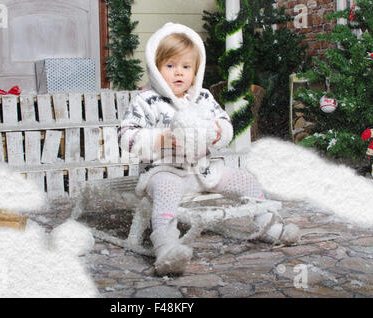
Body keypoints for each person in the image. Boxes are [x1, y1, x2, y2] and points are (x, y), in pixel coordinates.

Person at [118, 23, 277, 276]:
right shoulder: (145, 100)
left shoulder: (203, 98)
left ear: (196, 70)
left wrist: (215, 132)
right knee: (167, 191)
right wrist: (159, 140)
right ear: (156, 68)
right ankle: (167, 246)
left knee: (247, 180)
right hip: (163, 171)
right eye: (170, 66)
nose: (178, 73)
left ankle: (268, 225)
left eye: (186, 67)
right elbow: (126, 136)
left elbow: (224, 123)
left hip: (204, 171)